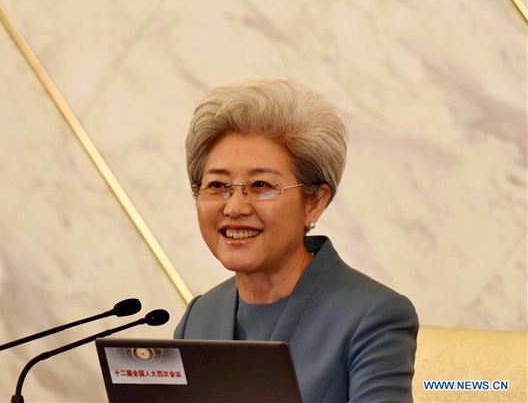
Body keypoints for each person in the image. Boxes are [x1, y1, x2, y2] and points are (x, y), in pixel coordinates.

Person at [174, 79, 418, 403]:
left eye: (261, 185)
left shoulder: (373, 317)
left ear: (313, 202)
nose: (234, 207)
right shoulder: (199, 317)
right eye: (218, 185)